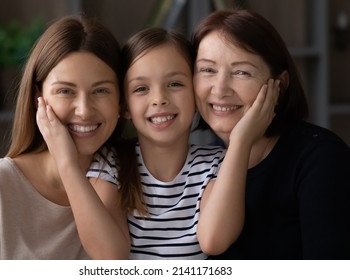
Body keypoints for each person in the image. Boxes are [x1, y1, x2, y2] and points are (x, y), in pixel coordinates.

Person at [83, 27, 280, 259]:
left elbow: (213, 241)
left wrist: (240, 140)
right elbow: (109, 257)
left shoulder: (217, 165)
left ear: (197, 96)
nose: (159, 100)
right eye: (141, 88)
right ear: (125, 106)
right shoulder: (110, 164)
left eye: (175, 84)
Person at [0, 15, 127, 259]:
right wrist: (67, 163)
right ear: (37, 96)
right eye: (65, 91)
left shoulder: (129, 182)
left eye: (100, 90)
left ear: (120, 99)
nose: (84, 110)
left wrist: (68, 166)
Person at [191, 9, 350, 259]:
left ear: (280, 84)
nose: (219, 89)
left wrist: (241, 140)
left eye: (242, 72)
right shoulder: (201, 165)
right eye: (207, 70)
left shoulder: (321, 158)